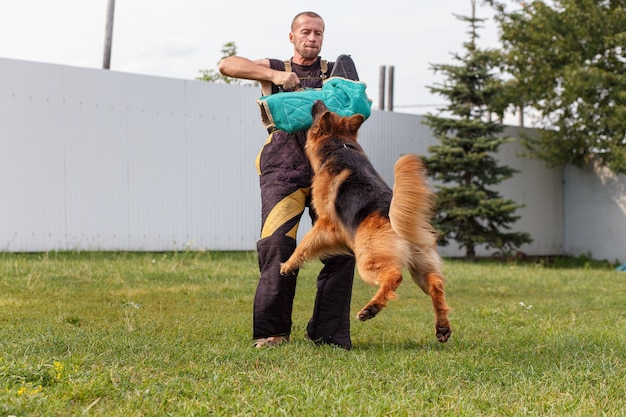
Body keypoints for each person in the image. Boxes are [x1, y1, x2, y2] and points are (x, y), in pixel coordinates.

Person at [218, 11, 361, 349]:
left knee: (341, 250)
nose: (312, 38)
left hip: (327, 173)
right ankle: (272, 332)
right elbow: (227, 65)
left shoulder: (335, 72)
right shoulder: (273, 67)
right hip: (283, 171)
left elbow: (356, 105)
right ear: (292, 36)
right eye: (306, 32)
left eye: (319, 33)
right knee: (277, 247)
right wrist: (276, 76)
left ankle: (328, 334)